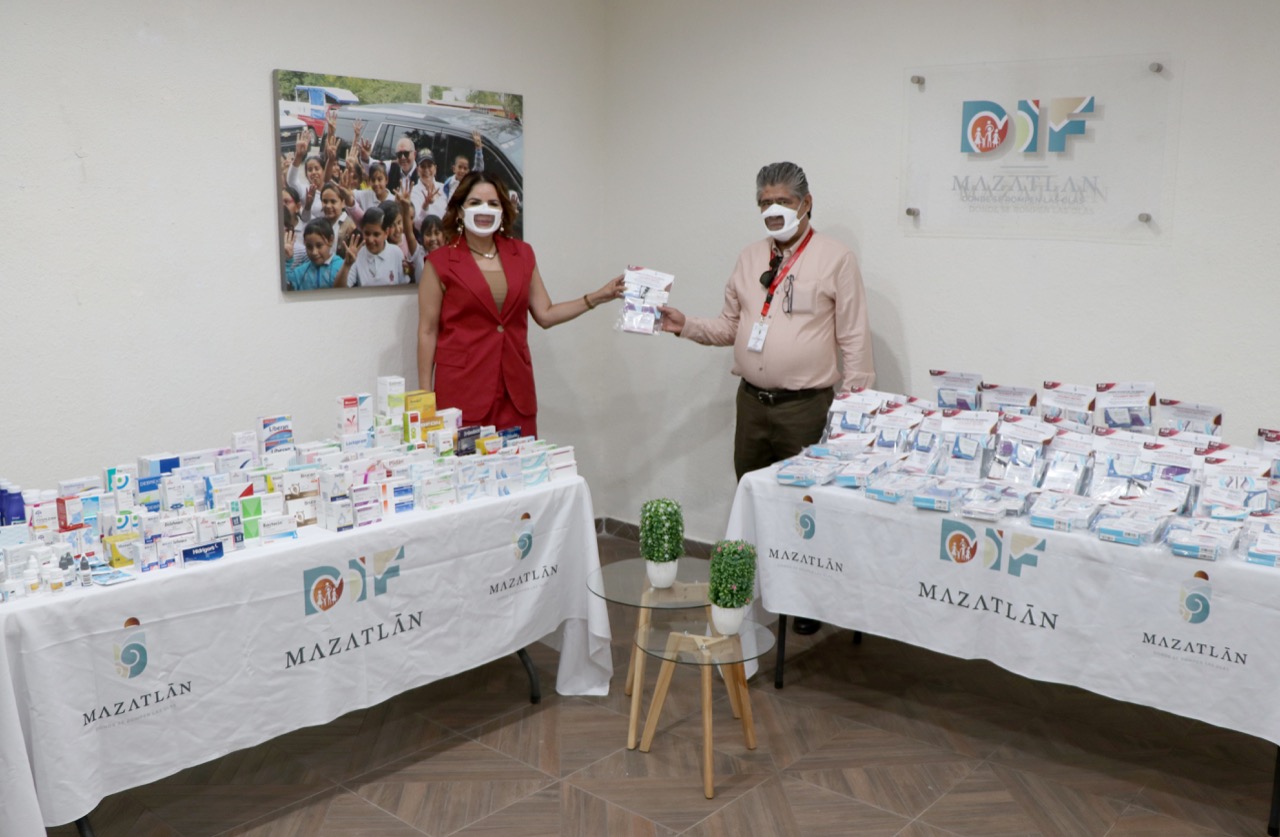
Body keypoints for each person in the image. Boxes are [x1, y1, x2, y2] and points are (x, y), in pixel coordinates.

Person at [659, 161, 875, 635]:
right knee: (753, 499)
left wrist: (855, 414)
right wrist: (685, 325)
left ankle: (808, 602)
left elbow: (855, 338)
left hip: (806, 408)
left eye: (784, 201)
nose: (774, 210)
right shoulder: (749, 257)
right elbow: (730, 327)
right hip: (752, 404)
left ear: (806, 203)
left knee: (806, 509)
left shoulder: (835, 258)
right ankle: (754, 590)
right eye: (765, 202)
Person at [417, 171, 624, 438]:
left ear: (503, 210)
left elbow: (545, 314)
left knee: (524, 463)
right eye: (475, 202)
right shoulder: (440, 262)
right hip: (462, 392)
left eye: (493, 203)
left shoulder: (522, 254)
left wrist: (598, 296)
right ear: (459, 210)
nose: (485, 210)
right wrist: (424, 398)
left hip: (515, 393)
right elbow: (427, 331)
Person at [335, 207, 407, 287]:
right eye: (367, 234)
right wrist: (347, 265)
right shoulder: (356, 255)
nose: (370, 240)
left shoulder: (396, 253)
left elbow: (404, 286)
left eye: (376, 234)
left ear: (386, 233)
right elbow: (339, 289)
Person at [285, 219, 344, 291]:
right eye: (309, 247)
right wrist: (288, 260)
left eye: (319, 246)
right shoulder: (301, 272)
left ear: (330, 240)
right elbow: (286, 285)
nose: (314, 252)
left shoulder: (341, 267)